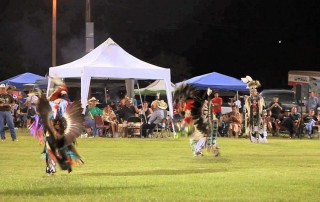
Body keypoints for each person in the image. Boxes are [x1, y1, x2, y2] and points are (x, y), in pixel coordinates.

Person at [242, 78, 265, 143]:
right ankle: (252, 138)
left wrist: (263, 113)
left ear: (256, 91)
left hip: (258, 114)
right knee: (251, 126)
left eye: (254, 91)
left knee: (259, 126)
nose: (252, 92)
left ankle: (261, 138)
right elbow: (246, 107)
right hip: (251, 114)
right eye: (251, 91)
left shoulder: (260, 98)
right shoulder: (248, 99)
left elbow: (263, 106)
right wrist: (246, 114)